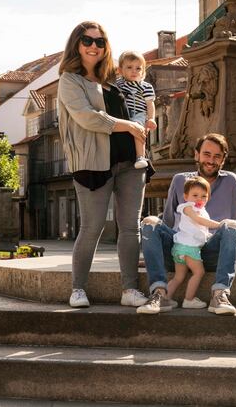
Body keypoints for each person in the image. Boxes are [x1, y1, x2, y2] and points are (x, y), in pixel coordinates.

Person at [58, 21, 150, 308]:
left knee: (130, 227)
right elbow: (88, 117)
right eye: (87, 40)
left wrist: (144, 124)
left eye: (100, 41)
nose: (93, 46)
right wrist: (129, 127)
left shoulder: (115, 77)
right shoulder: (69, 80)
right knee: (92, 227)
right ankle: (78, 289)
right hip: (93, 163)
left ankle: (129, 290)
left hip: (130, 162)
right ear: (77, 44)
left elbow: (144, 98)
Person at [138, 133, 236, 315]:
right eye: (207, 154)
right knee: (150, 223)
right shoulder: (180, 180)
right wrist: (153, 249)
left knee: (231, 225)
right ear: (197, 155)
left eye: (217, 156)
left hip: (210, 251)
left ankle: (220, 295)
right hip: (179, 251)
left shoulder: (231, 181)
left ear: (223, 160)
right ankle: (159, 295)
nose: (211, 160)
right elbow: (168, 221)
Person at [168, 176, 222, 309]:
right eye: (195, 195)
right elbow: (198, 220)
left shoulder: (202, 210)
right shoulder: (187, 207)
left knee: (179, 277)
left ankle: (166, 298)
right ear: (185, 196)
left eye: (204, 196)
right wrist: (220, 224)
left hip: (179, 248)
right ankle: (189, 299)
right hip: (189, 248)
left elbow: (200, 228)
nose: (199, 199)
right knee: (199, 273)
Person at [116, 51, 157, 169]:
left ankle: (140, 156)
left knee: (138, 130)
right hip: (123, 115)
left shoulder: (146, 87)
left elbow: (150, 104)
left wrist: (151, 119)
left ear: (143, 71)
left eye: (138, 68)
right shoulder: (118, 84)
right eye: (129, 67)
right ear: (120, 70)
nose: (134, 71)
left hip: (139, 114)